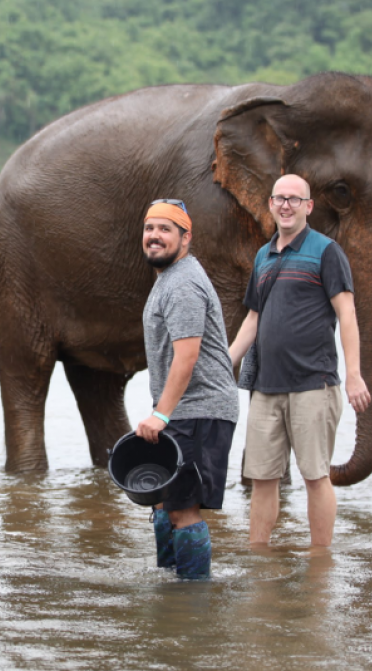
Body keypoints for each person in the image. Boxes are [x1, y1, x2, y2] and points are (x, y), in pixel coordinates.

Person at [228, 174, 371, 548]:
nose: (286, 205)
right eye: (280, 199)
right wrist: (225, 361)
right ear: (271, 205)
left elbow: (347, 314)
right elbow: (253, 320)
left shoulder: (326, 252)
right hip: (265, 388)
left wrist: (353, 375)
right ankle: (258, 556)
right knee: (261, 478)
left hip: (314, 384)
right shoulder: (263, 255)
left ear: (309, 207)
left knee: (314, 476)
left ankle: (319, 562)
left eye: (295, 199)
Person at [135, 199, 239, 580]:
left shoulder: (182, 284)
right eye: (150, 229)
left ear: (186, 237)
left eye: (165, 229)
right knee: (165, 504)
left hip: (201, 410)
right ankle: (171, 591)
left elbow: (187, 356)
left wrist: (161, 414)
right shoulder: (169, 279)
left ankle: (194, 599)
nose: (155, 236)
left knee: (182, 508)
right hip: (184, 410)